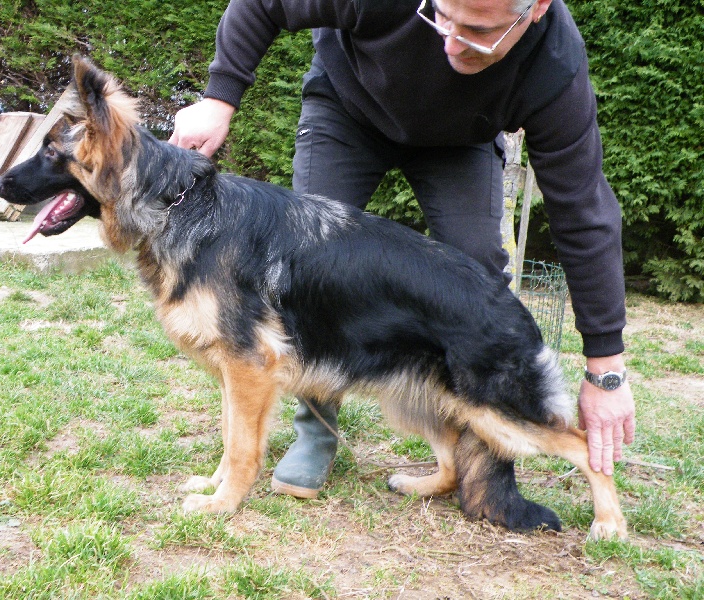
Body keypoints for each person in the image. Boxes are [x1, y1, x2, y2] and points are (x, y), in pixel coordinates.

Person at [170, 0, 635, 522]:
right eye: (441, 16)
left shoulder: (555, 64)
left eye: (476, 32)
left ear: (535, 10)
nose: (450, 44)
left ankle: (464, 451)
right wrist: (218, 96)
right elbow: (261, 5)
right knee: (307, 273)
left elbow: (584, 213)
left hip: (461, 139)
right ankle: (315, 435)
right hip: (348, 110)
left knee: (477, 265)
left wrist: (606, 367)